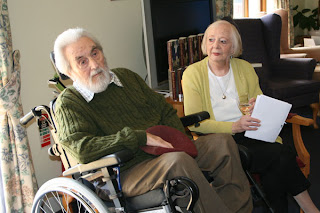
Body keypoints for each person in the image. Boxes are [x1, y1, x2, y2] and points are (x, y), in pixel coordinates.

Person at [52, 27, 253, 213]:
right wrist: (139, 137)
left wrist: (179, 142)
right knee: (178, 161)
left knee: (222, 143)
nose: (95, 64)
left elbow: (165, 111)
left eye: (95, 53)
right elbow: (81, 148)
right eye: (82, 61)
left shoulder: (126, 77)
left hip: (165, 153)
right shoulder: (69, 103)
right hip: (124, 172)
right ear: (69, 72)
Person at [182, 20, 320, 213]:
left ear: (233, 47)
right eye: (211, 40)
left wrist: (259, 106)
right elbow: (196, 124)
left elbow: (260, 99)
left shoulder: (245, 68)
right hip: (220, 142)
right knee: (281, 155)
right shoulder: (192, 74)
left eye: (223, 41)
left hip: (251, 132)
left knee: (278, 160)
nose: (215, 46)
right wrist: (234, 127)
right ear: (205, 44)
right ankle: (311, 209)